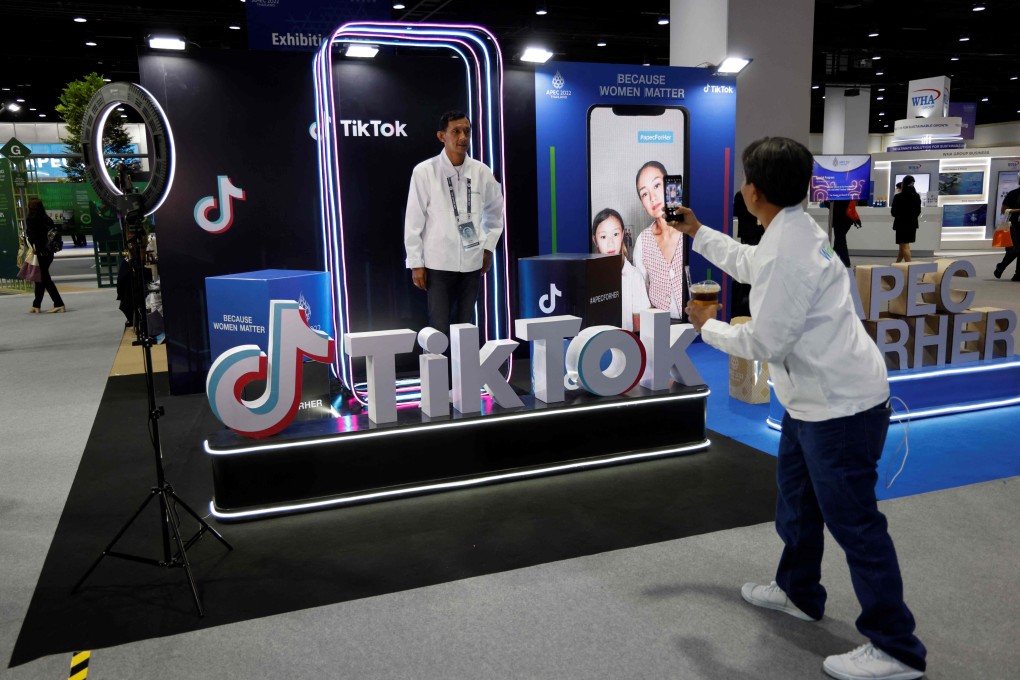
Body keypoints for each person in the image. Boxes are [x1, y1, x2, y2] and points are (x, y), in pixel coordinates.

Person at [670, 137, 926, 680]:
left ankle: (897, 648)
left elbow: (766, 342)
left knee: (855, 523)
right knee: (798, 505)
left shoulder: (790, 247)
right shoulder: (792, 229)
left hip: (839, 408)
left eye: (745, 179)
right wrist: (697, 232)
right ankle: (798, 591)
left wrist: (706, 327)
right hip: (813, 402)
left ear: (753, 193)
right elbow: (750, 262)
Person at [404, 110, 504, 338]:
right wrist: (416, 263)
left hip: (472, 263)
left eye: (467, 131)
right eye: (456, 131)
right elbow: (414, 220)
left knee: (465, 328)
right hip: (438, 264)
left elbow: (495, 213)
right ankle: (440, 364)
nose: (463, 137)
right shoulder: (424, 172)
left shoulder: (481, 171)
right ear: (442, 136)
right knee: (439, 328)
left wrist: (487, 248)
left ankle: (462, 364)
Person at [632, 161, 684, 320]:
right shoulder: (642, 242)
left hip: (698, 324)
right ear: (643, 204)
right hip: (659, 326)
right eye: (644, 194)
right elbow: (640, 293)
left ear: (670, 186)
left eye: (656, 185)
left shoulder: (692, 228)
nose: (652, 198)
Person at [591, 207, 650, 332]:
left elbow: (639, 328)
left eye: (615, 234)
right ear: (595, 240)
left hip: (626, 343)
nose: (610, 243)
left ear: (622, 235)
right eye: (603, 237)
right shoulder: (589, 277)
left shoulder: (634, 276)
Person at [24, 198, 66, 314]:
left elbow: (32, 237)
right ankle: (36, 305)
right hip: (49, 252)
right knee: (40, 278)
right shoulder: (47, 218)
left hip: (40, 252)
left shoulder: (32, 219)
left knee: (45, 279)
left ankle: (59, 304)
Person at [731, 190, 763, 317]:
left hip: (747, 233)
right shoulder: (756, 197)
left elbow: (735, 212)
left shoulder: (740, 195)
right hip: (753, 233)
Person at [993, 171, 1020, 281]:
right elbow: (1004, 210)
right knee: (1014, 251)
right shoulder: (1013, 194)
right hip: (1013, 226)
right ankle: (1001, 266)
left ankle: (1018, 274)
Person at [891, 175, 922, 263]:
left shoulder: (898, 197)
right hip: (912, 224)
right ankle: (897, 264)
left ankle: (909, 266)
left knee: (904, 246)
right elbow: (918, 212)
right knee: (902, 246)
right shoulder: (916, 196)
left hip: (901, 225)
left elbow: (893, 213)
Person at [830, 199, 861, 269]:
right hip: (847, 220)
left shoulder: (835, 194)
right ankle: (828, 259)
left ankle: (846, 264)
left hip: (838, 219)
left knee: (840, 243)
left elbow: (829, 204)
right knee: (838, 243)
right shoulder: (848, 193)